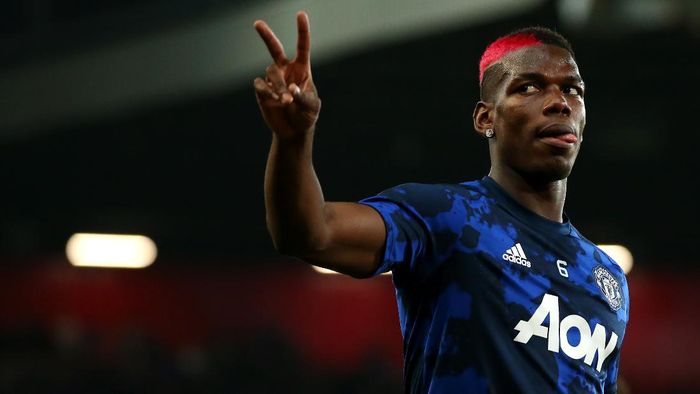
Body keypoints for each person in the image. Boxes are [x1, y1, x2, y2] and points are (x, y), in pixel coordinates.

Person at [253, 11, 629, 393]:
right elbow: (311, 233)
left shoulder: (607, 279)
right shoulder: (447, 217)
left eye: (573, 90)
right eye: (529, 88)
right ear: (486, 119)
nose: (560, 103)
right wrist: (293, 139)